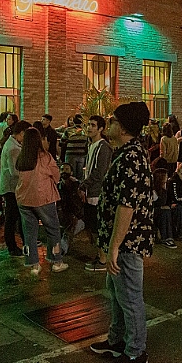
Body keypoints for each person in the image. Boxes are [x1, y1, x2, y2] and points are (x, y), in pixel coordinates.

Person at [89, 102, 152, 363]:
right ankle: (117, 340)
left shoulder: (130, 158)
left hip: (127, 243)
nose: (108, 124)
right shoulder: (127, 152)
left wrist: (114, 246)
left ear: (123, 127)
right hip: (121, 241)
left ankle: (136, 353)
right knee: (117, 293)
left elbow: (127, 206)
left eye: (112, 121)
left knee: (130, 297)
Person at [16, 127, 68, 275]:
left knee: (29, 233)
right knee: (52, 229)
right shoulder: (45, 157)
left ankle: (33, 265)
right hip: (43, 198)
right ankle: (56, 261)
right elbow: (56, 176)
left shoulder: (22, 157)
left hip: (24, 199)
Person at [80, 115, 112, 272]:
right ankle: (100, 256)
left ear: (100, 129)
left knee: (98, 227)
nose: (89, 128)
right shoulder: (91, 145)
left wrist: (85, 184)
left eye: (93, 125)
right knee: (93, 226)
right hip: (90, 191)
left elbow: (99, 172)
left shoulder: (103, 147)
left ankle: (103, 259)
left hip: (97, 192)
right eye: (88, 125)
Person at [0, 120, 31, 257]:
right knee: (12, 218)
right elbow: (14, 172)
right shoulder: (13, 148)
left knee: (16, 217)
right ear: (21, 133)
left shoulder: (13, 144)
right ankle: (12, 246)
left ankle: (24, 243)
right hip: (11, 188)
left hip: (12, 187)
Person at [63, 115, 88, 180]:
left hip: (70, 154)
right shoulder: (85, 131)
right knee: (80, 175)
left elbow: (62, 142)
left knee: (70, 174)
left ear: (73, 121)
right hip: (82, 155)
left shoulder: (68, 130)